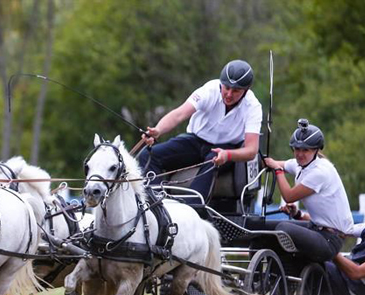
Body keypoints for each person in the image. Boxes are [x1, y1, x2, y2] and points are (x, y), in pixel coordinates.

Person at [138, 59, 262, 200]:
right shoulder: (209, 90)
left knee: (212, 159)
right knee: (147, 155)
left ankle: (194, 207)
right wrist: (158, 130)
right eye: (226, 87)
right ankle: (157, 204)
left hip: (225, 149)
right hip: (195, 141)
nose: (229, 94)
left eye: (236, 91)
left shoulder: (253, 107)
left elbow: (251, 150)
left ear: (246, 91)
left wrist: (227, 155)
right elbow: (179, 114)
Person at [263, 119, 353, 262]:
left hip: (330, 240)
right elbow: (274, 163)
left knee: (283, 228)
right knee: (262, 228)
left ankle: (286, 262)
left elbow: (289, 196)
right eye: (297, 149)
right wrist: (261, 161)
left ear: (316, 150)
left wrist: (278, 171)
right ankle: (261, 277)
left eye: (306, 150)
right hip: (316, 229)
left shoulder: (320, 172)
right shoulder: (302, 165)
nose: (300, 154)